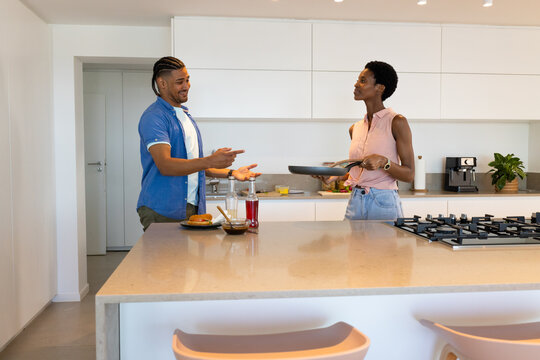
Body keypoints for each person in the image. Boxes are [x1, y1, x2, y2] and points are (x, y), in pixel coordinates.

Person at [137, 56, 261, 231]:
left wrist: (232, 173)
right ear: (162, 83)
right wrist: (210, 159)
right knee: (167, 259)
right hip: (162, 209)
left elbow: (194, 165)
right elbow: (166, 165)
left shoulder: (185, 117)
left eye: (187, 80)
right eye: (180, 81)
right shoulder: (154, 117)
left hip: (190, 207)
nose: (186, 86)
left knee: (187, 259)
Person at [323, 61, 414, 220]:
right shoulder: (355, 128)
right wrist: (332, 177)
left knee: (383, 246)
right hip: (355, 200)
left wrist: (384, 162)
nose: (356, 84)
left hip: (383, 202)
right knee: (354, 246)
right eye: (358, 80)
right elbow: (359, 170)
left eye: (363, 80)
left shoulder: (397, 122)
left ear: (380, 88)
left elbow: (409, 174)